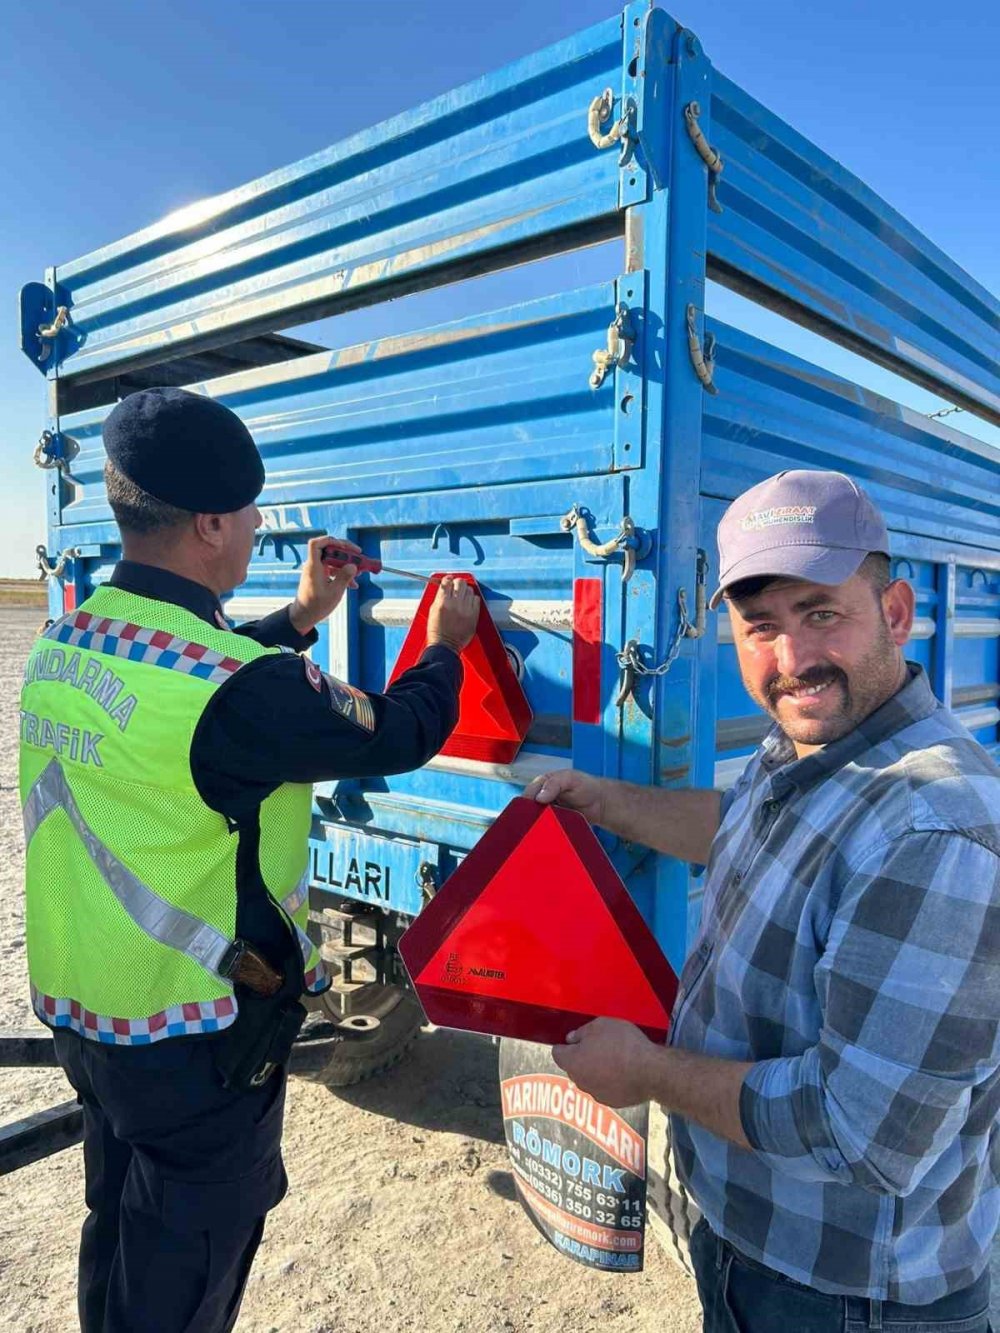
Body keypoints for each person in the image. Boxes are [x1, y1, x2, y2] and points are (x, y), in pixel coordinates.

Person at [19, 386, 480, 1333]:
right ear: (210, 523)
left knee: (118, 1228)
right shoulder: (237, 690)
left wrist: (306, 612)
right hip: (196, 1046)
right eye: (252, 512)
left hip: (90, 1014)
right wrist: (445, 648)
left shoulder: (67, 640)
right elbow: (397, 732)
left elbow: (204, 679)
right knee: (183, 1278)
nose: (262, 526)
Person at [526, 470, 1000, 1333]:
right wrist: (610, 801)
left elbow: (861, 1132)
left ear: (894, 612)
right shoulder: (812, 743)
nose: (792, 660)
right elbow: (743, 822)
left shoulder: (934, 830)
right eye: (761, 627)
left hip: (849, 1299)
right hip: (758, 1246)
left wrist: (648, 1073)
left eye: (822, 613)